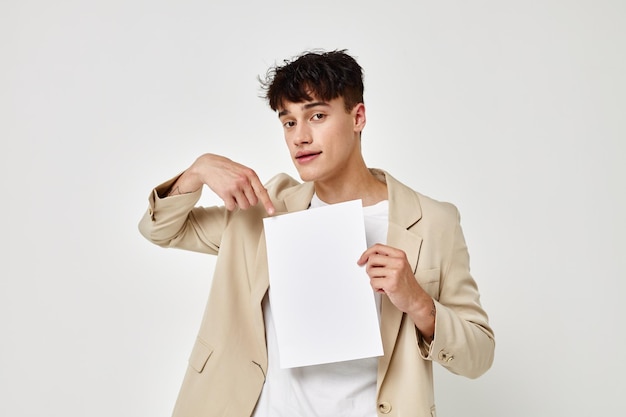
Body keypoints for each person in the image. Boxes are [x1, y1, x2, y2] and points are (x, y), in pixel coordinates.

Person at [138, 49, 494, 417]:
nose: (300, 137)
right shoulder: (265, 207)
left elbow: (479, 356)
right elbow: (160, 230)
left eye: (317, 116)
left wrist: (419, 303)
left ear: (358, 117)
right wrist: (197, 171)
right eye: (288, 122)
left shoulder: (434, 222)